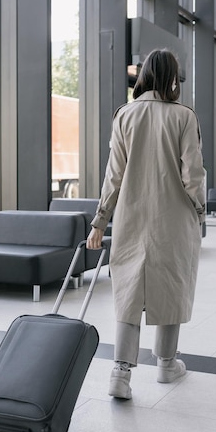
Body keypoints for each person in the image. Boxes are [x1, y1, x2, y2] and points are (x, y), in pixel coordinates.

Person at [87, 48, 206, 400]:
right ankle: (167, 365)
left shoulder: (124, 114)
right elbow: (193, 176)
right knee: (172, 285)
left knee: (127, 291)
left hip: (131, 217)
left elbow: (114, 176)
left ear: (142, 75)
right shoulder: (184, 116)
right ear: (172, 76)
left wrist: (99, 221)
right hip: (174, 219)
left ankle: (120, 373)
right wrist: (200, 213)